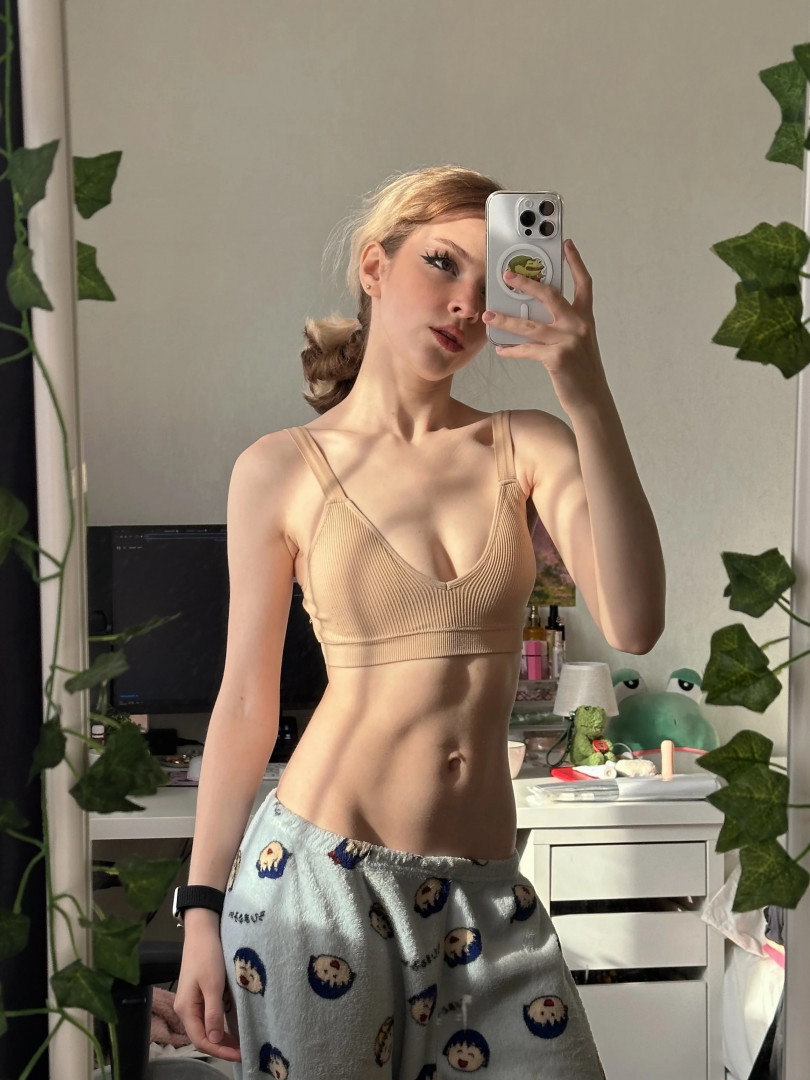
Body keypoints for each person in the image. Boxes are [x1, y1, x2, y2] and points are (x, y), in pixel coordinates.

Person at [174, 164, 666, 1078]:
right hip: (318, 883)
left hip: (485, 895)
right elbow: (245, 702)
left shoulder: (529, 443)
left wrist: (585, 384)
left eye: (492, 279)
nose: (466, 303)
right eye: (442, 264)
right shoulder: (280, 468)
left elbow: (634, 622)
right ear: (374, 267)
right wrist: (200, 909)